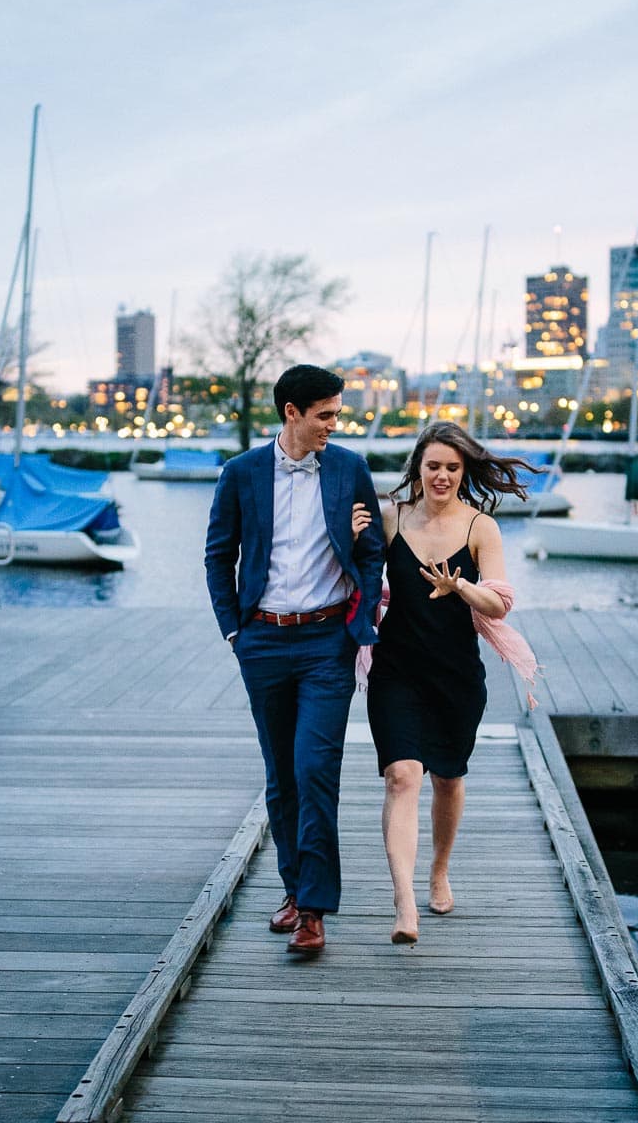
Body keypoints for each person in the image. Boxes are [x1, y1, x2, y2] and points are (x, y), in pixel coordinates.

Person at [204, 364, 384, 956]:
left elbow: (373, 549)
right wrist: (234, 631)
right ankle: (292, 889)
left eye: (337, 414)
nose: (335, 424)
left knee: (314, 771)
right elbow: (217, 555)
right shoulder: (241, 474)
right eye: (325, 415)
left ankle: (313, 911)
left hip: (327, 644)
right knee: (281, 777)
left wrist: (360, 623)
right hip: (262, 642)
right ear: (292, 413)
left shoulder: (350, 468)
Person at [363, 421, 539, 945]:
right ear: (418, 466)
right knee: (401, 776)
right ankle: (405, 903)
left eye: (452, 468)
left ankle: (439, 871)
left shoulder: (480, 527)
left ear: (465, 472)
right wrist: (356, 535)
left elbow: (501, 602)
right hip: (394, 669)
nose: (441, 476)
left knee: (448, 777)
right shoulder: (391, 518)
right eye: (433, 465)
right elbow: (358, 572)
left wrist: (459, 584)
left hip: (455, 676)